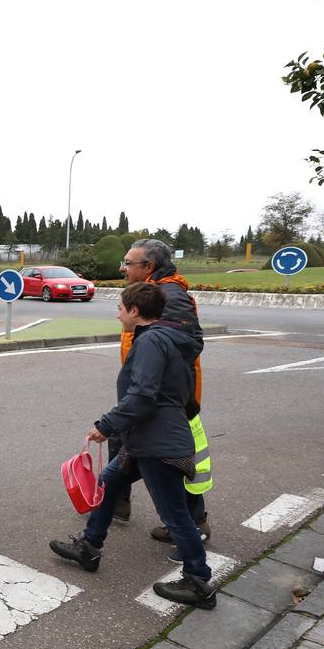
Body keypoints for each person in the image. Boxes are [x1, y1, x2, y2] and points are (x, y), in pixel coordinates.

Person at [49, 282, 216, 608]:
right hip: (148, 440)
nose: (117, 313)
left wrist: (106, 426)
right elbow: (181, 394)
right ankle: (90, 547)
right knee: (107, 485)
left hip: (158, 443)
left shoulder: (152, 341)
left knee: (175, 514)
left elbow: (142, 394)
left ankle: (199, 582)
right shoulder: (168, 340)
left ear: (135, 311)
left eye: (120, 308)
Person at [114, 238, 208, 541]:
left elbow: (189, 343)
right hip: (145, 392)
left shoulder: (170, 296)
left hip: (161, 398)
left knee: (166, 458)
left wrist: (148, 384)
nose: (123, 267)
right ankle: (114, 506)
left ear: (149, 267)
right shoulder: (153, 293)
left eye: (129, 263)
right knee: (126, 444)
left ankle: (193, 525)